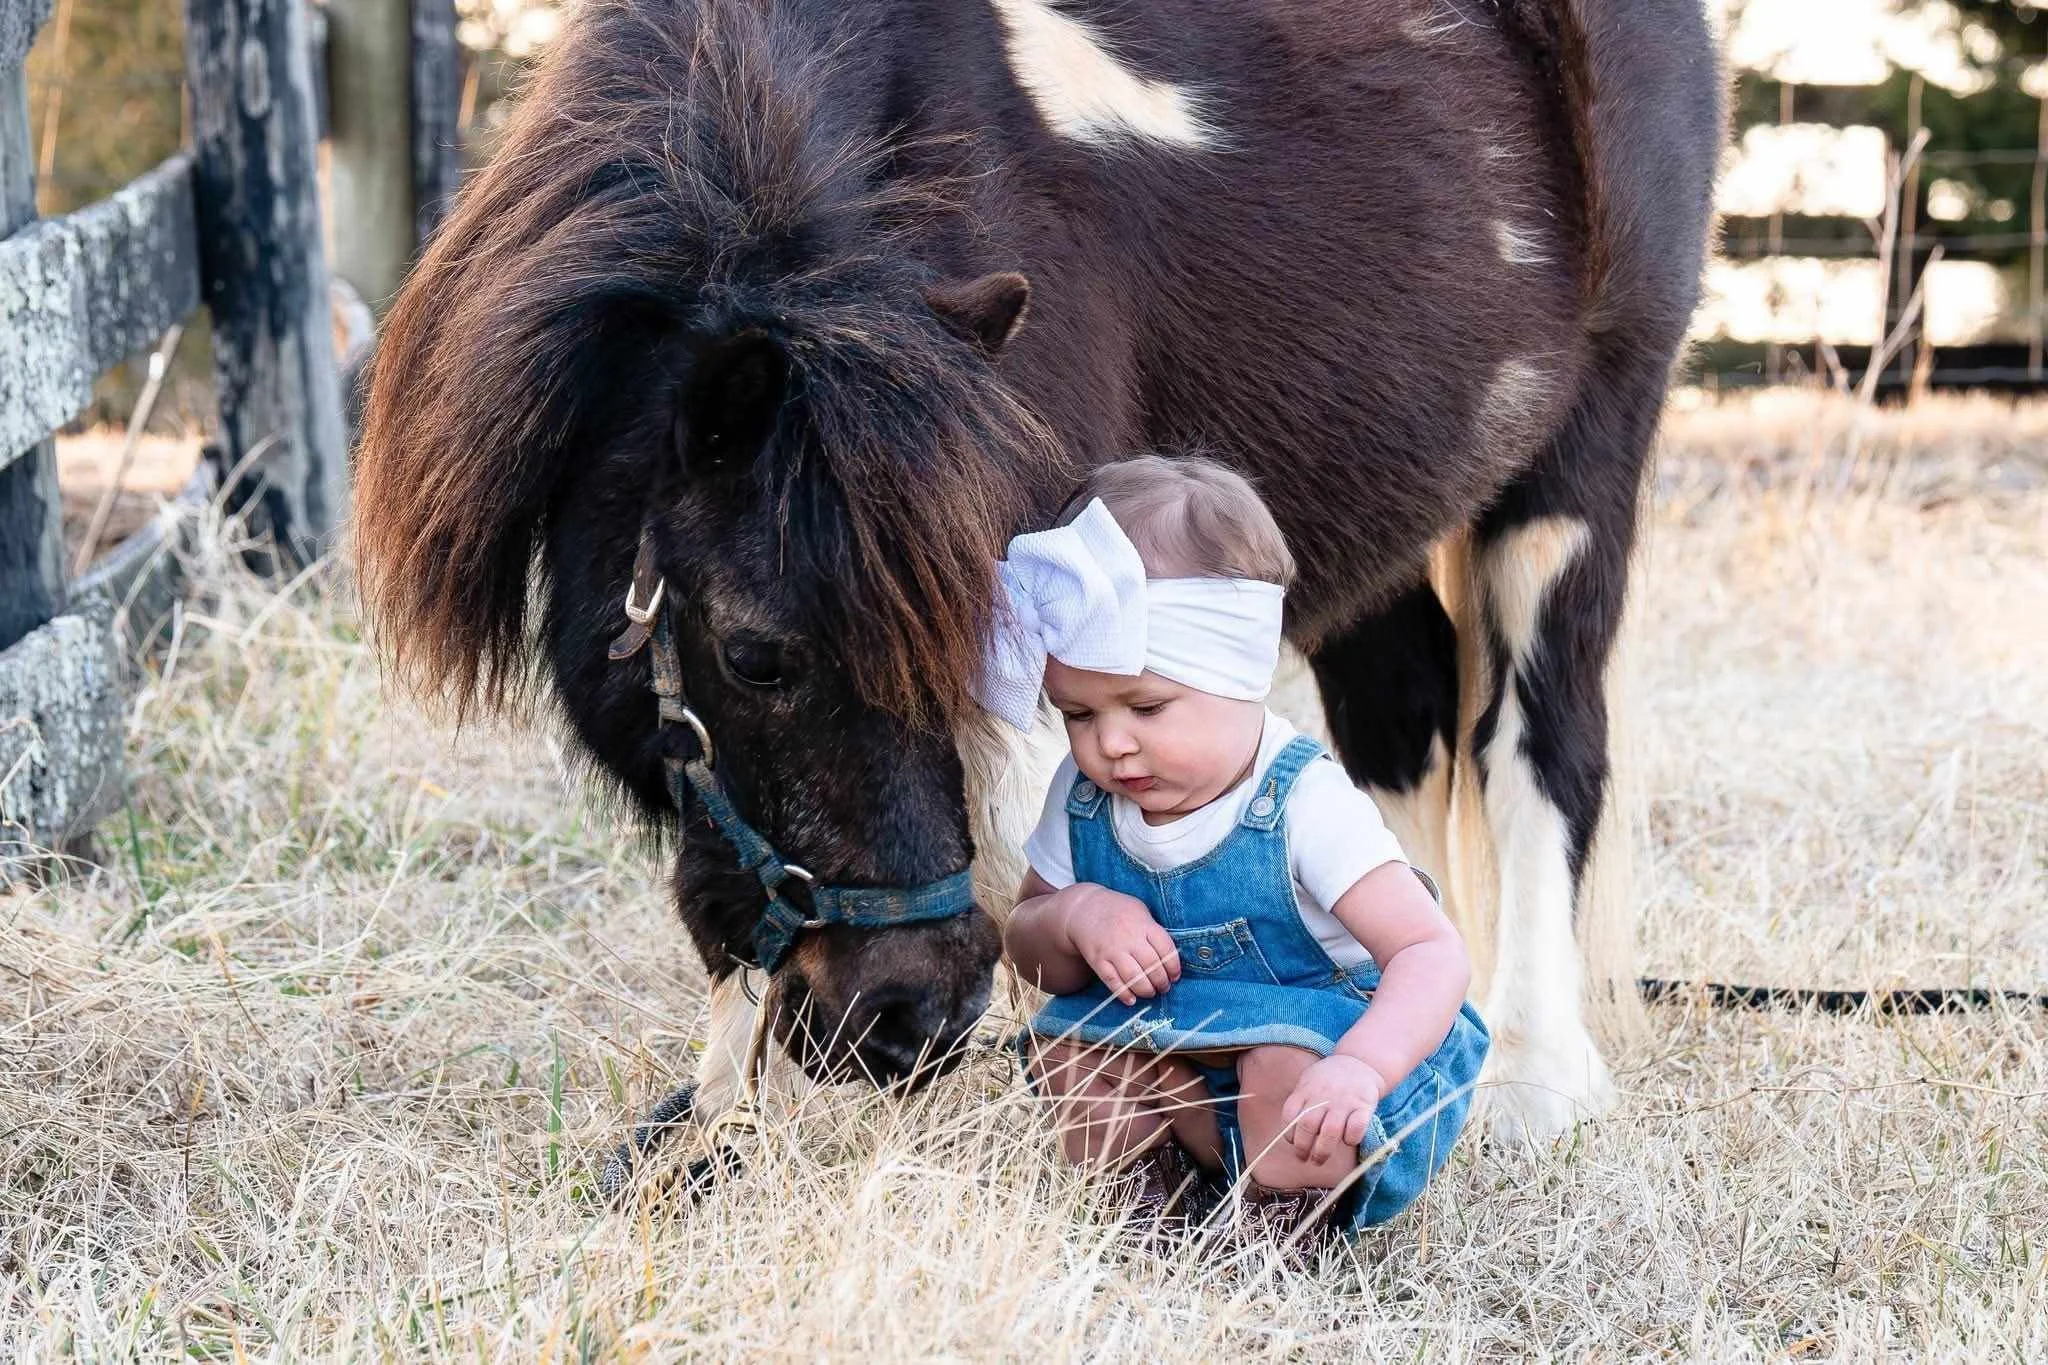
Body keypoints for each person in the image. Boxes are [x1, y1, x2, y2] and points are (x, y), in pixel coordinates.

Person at [983, 455, 1490, 1241]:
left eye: (1147, 705)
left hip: (1323, 1086)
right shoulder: (1083, 800)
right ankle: (1146, 1202)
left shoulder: (1302, 802)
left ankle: (1278, 1227)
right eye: (1078, 714)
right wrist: (1076, 913)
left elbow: (1431, 951)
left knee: (1279, 1063)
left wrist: (1362, 1065)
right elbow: (1028, 946)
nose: (1111, 742)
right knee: (1067, 1046)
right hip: (1177, 1062)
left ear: (1239, 673)